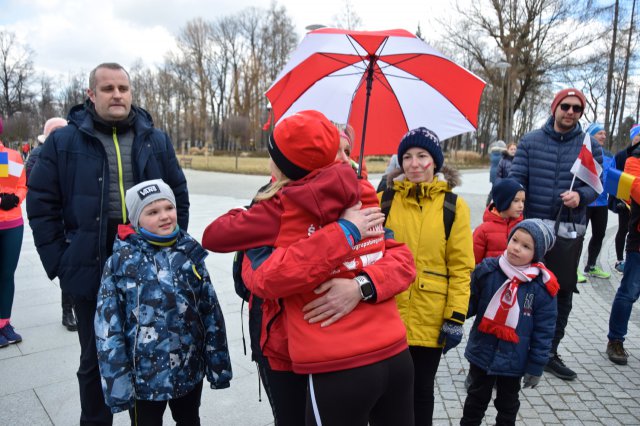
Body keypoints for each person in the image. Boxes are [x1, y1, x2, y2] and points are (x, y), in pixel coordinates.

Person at [204, 110, 417, 426]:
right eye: (339, 152)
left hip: (335, 361)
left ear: (279, 163)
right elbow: (255, 276)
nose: (346, 161)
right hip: (383, 352)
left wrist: (361, 285)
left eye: (347, 152)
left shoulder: (281, 210)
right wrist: (344, 233)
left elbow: (402, 261)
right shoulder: (363, 196)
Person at [26, 62, 189, 426]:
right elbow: (40, 204)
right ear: (91, 95)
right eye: (107, 88)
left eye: (123, 88)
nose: (117, 95)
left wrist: (171, 254)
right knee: (95, 358)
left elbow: (179, 194)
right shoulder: (64, 142)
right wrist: (61, 262)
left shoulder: (154, 139)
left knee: (147, 354)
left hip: (149, 272)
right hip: (90, 270)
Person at [95, 180, 231, 423]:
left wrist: (218, 364)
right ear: (136, 219)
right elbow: (108, 328)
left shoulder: (189, 253)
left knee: (189, 418)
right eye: (153, 212)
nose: (165, 217)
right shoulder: (121, 262)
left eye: (169, 208)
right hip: (144, 378)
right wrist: (118, 383)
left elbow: (210, 311)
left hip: (188, 370)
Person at [380, 127, 475, 425]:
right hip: (385, 315)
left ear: (435, 161)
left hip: (429, 318)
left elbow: (461, 267)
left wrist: (455, 316)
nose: (414, 163)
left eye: (422, 156)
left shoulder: (453, 206)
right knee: (382, 392)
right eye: (407, 157)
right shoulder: (384, 199)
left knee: (421, 391)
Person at [509, 87, 602, 381]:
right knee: (520, 288)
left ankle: (549, 352)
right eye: (566, 106)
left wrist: (581, 197)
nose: (571, 112)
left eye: (577, 108)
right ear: (555, 107)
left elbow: (596, 185)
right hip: (532, 230)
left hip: (568, 231)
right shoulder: (531, 141)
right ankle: (511, 350)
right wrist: (515, 199)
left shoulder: (590, 146)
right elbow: (515, 178)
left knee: (560, 292)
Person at [461, 219, 558, 426]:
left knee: (508, 404)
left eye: (526, 246)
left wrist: (536, 365)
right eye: (514, 240)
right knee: (475, 399)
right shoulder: (489, 270)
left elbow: (544, 331)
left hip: (514, 358)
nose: (516, 248)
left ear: (537, 253)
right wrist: (452, 318)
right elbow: (469, 302)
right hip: (483, 350)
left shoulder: (541, 287)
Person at [25, 116, 77, 331]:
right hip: (57, 220)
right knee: (67, 265)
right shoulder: (38, 155)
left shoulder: (73, 152)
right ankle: (67, 311)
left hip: (75, 218)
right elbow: (36, 188)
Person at [606, 125, 640, 366]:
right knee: (628, 292)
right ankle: (615, 340)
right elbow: (636, 191)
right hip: (638, 242)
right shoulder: (633, 158)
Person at [0, 117, 27, 348]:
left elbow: (20, 183)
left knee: (7, 275)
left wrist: (15, 198)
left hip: (12, 224)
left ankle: (4, 323)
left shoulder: (11, 156)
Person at [581, 123, 613, 281]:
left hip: (601, 203)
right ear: (591, 135)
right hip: (585, 201)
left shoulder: (608, 155)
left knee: (599, 234)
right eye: (600, 133)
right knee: (579, 235)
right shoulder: (583, 152)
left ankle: (591, 266)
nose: (603, 136)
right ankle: (572, 268)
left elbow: (611, 178)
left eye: (605, 133)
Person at [473, 178, 525, 265]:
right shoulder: (483, 230)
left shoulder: (524, 227)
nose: (521, 206)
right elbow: (473, 262)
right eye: (516, 201)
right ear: (503, 201)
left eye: (523, 201)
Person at [610, 124, 640, 274]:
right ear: (633, 137)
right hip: (623, 200)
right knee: (623, 229)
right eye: (638, 135)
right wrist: (618, 199)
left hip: (637, 202)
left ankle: (631, 261)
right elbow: (613, 176)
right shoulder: (622, 155)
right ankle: (619, 259)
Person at [486, 140, 507, 205]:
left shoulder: (492, 153)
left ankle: (489, 202)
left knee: (493, 188)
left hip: (492, 173)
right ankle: (491, 203)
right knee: (496, 189)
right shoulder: (502, 154)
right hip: (499, 173)